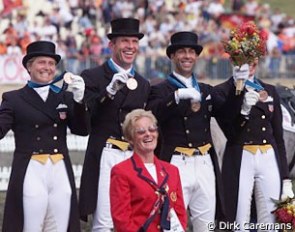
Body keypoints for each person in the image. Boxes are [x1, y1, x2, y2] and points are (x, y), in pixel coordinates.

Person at [0, 40, 88, 231]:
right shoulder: (13, 99)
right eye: (41, 62)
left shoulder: (64, 96)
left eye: (51, 64)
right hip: (31, 169)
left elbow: (82, 130)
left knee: (59, 226)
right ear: (29, 67)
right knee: (30, 226)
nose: (47, 68)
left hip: (59, 169)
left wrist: (80, 102)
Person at [147, 31, 225, 232]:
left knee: (206, 225)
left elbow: (227, 112)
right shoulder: (161, 90)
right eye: (181, 51)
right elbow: (154, 113)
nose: (187, 56)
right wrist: (177, 96)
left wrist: (239, 85)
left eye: (191, 52)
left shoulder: (206, 90)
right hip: (176, 162)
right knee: (172, 224)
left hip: (204, 161)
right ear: (172, 56)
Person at [79, 17, 150, 231]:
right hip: (106, 153)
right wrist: (107, 93)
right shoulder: (92, 76)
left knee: (135, 218)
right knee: (104, 221)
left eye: (134, 42)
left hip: (132, 155)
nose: (130, 47)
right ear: (112, 45)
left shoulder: (143, 83)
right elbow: (86, 118)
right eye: (124, 41)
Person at [212, 58, 294, 230]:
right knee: (239, 218)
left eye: (253, 58)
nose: (250, 63)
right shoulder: (222, 91)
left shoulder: (270, 90)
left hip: (268, 156)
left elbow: (278, 137)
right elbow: (230, 131)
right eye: (244, 59)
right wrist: (243, 109)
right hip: (241, 155)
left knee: (270, 220)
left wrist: (286, 179)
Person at [110, 109, 187, 231]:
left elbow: (180, 212)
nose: (148, 134)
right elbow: (121, 220)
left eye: (152, 129)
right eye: (141, 131)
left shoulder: (172, 171)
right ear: (130, 139)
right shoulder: (121, 171)